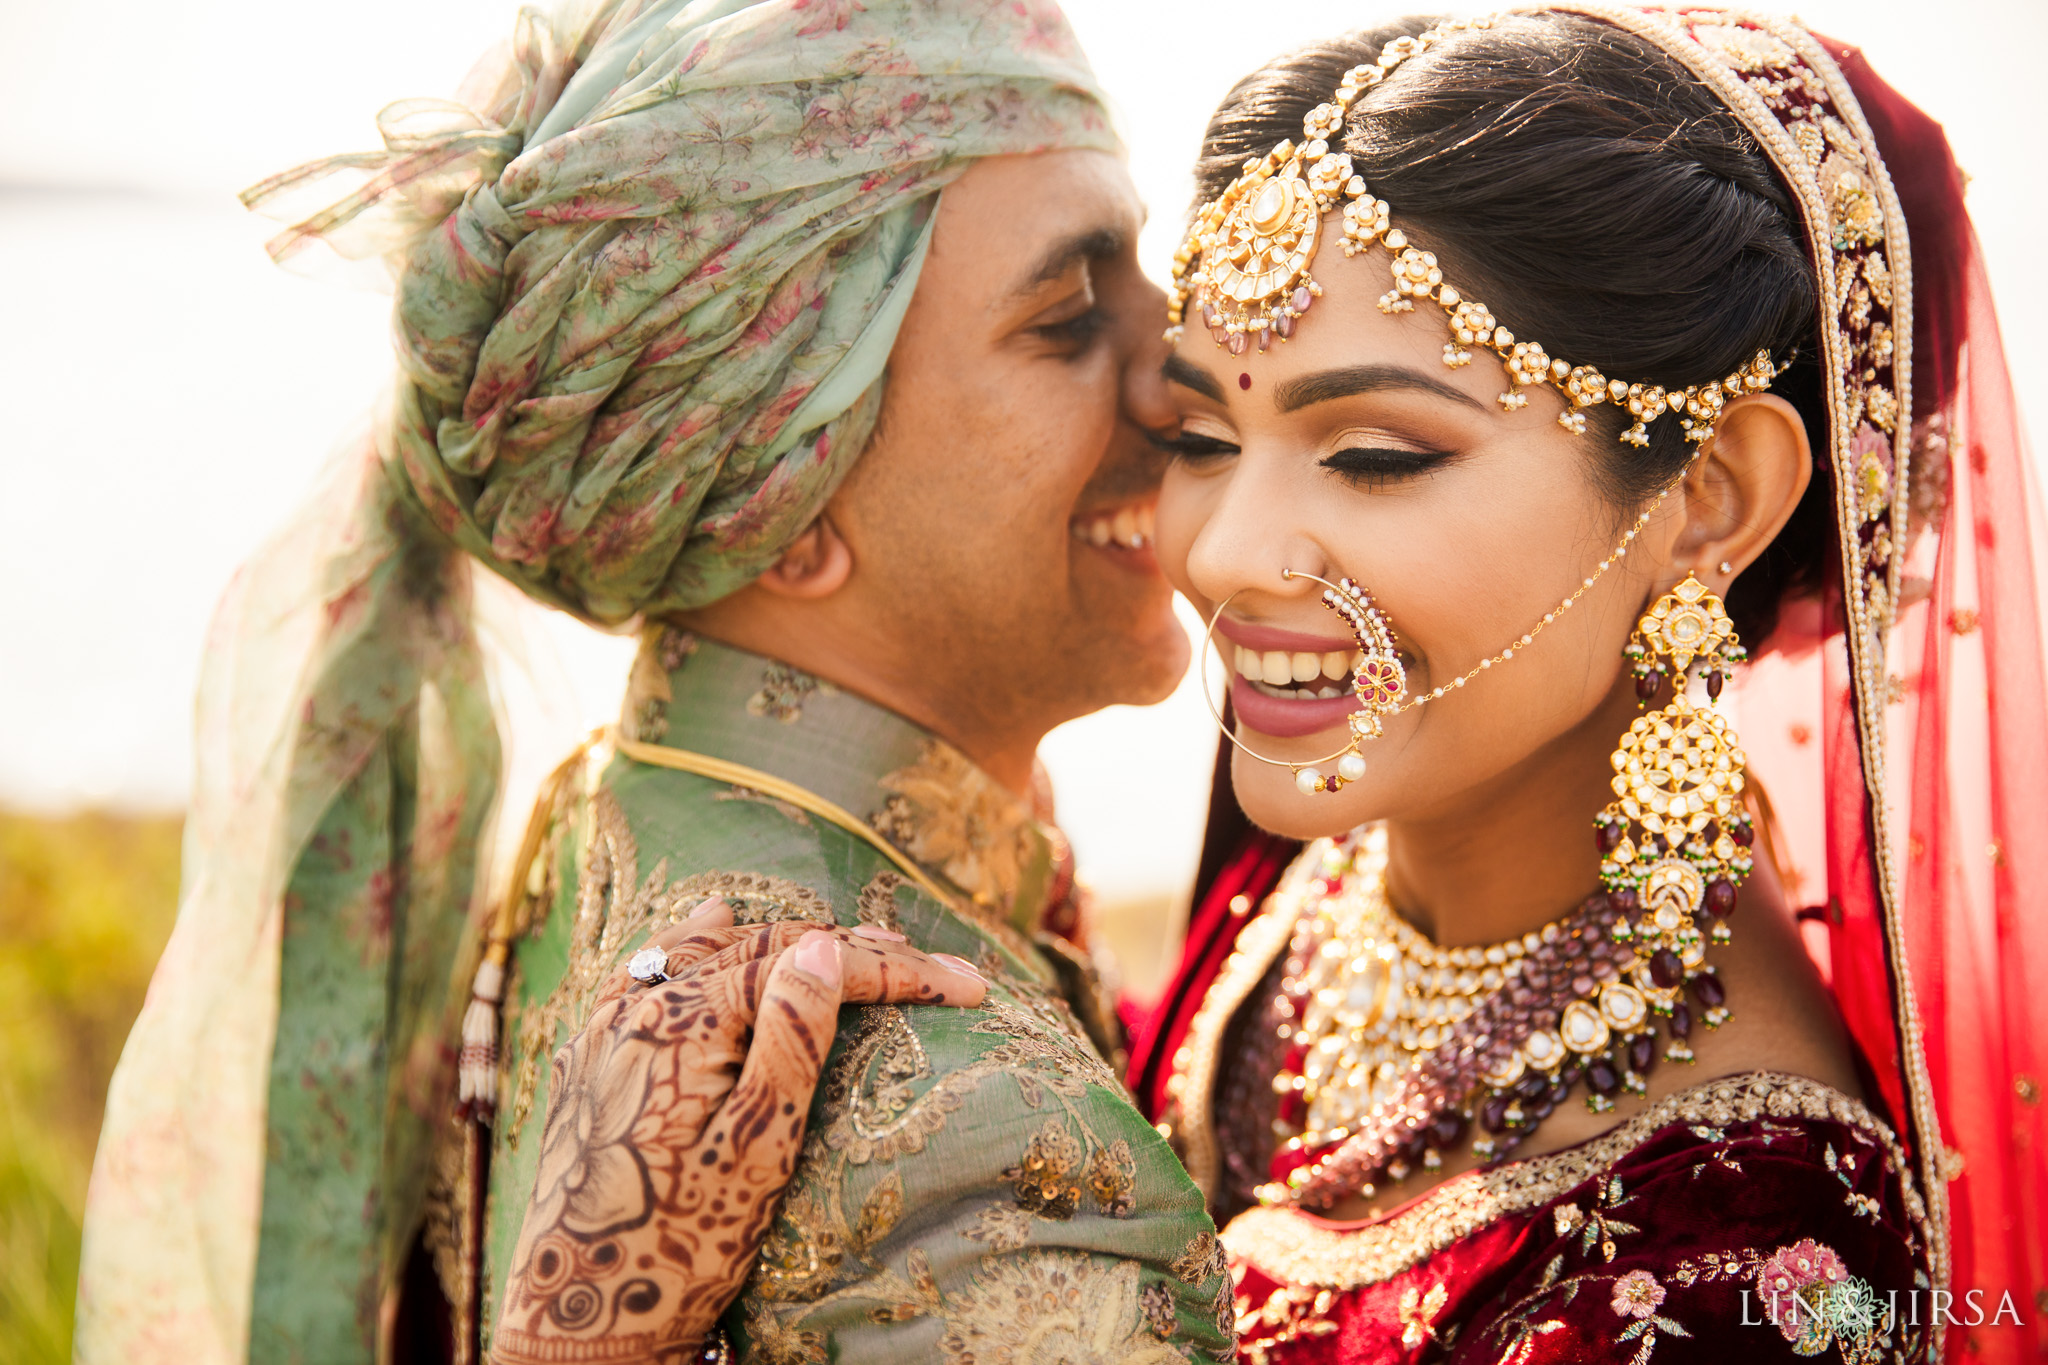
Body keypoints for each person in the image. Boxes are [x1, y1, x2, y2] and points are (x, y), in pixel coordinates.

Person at [617, 6, 2047, 1362]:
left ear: (1709, 499)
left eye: (1375, 455)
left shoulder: (1739, 1260)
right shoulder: (1320, 887)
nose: (1224, 553)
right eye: (1199, 432)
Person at [75, 2, 1236, 1362]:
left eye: (1147, 269)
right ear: (783, 502)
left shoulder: (608, 811)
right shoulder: (984, 1154)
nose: (1195, 361)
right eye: (1068, 317)